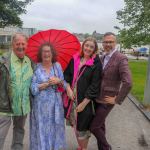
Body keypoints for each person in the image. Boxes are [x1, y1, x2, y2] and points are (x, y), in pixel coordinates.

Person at [90, 32, 132, 150]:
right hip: (97, 97)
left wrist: (117, 99)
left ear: (116, 43)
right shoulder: (102, 57)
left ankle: (107, 147)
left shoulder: (121, 58)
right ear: (102, 43)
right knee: (101, 125)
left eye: (110, 42)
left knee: (94, 127)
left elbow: (128, 82)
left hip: (107, 100)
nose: (108, 44)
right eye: (105, 42)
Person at [64, 37, 102, 150]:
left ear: (94, 49)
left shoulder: (96, 64)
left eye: (91, 47)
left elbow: (94, 86)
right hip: (72, 99)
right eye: (86, 45)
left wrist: (84, 103)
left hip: (85, 101)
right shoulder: (75, 59)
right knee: (75, 124)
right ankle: (81, 147)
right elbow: (66, 76)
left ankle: (84, 148)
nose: (88, 48)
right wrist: (68, 89)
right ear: (83, 46)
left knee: (83, 127)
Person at [30, 42, 66, 150]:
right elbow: (32, 87)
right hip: (40, 105)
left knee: (55, 127)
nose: (46, 54)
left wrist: (58, 80)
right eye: (44, 51)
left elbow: (64, 84)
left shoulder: (57, 66)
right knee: (41, 127)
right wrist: (44, 85)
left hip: (55, 104)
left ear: (52, 53)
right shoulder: (36, 67)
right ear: (40, 54)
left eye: (48, 51)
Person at [0, 33, 33, 150]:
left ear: (27, 45)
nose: (20, 46)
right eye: (17, 43)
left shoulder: (30, 62)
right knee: (1, 135)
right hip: (5, 106)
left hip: (22, 106)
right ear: (12, 44)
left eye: (23, 43)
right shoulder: (3, 61)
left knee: (19, 132)